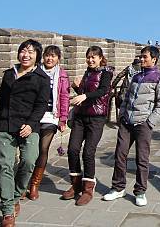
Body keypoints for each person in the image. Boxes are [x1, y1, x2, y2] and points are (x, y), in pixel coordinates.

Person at [0, 39, 50, 227]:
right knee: (4, 166)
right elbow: (1, 101)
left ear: (37, 56)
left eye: (31, 52)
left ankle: (16, 195)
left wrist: (31, 124)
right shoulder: (9, 74)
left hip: (28, 127)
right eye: (23, 51)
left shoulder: (41, 78)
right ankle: (8, 210)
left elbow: (42, 105)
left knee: (29, 161)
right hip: (6, 126)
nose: (26, 55)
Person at [102, 46, 160, 206]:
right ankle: (118, 188)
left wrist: (149, 122)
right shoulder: (136, 77)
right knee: (120, 154)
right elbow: (126, 98)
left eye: (145, 57)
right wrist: (122, 114)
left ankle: (140, 191)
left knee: (142, 158)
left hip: (143, 124)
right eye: (141, 56)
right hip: (127, 122)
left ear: (154, 59)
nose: (141, 59)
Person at [62, 46, 113, 206]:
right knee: (72, 149)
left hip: (96, 118)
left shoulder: (106, 73)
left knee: (88, 152)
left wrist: (84, 94)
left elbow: (103, 91)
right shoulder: (88, 73)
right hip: (80, 117)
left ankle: (88, 188)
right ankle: (76, 184)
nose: (91, 60)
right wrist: (78, 88)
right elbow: (84, 94)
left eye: (94, 57)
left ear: (100, 58)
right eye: (88, 57)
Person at [26, 45, 70, 201]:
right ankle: (24, 182)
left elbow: (64, 97)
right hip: (33, 116)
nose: (49, 59)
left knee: (43, 149)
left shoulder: (62, 75)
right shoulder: (34, 71)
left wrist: (63, 118)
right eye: (47, 55)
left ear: (58, 58)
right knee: (31, 151)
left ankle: (34, 185)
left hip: (51, 116)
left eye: (53, 56)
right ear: (42, 57)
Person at [109, 58, 141, 123]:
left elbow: (119, 76)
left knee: (123, 105)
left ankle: (122, 121)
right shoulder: (142, 69)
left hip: (126, 90)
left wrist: (113, 86)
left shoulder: (129, 67)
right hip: (137, 89)